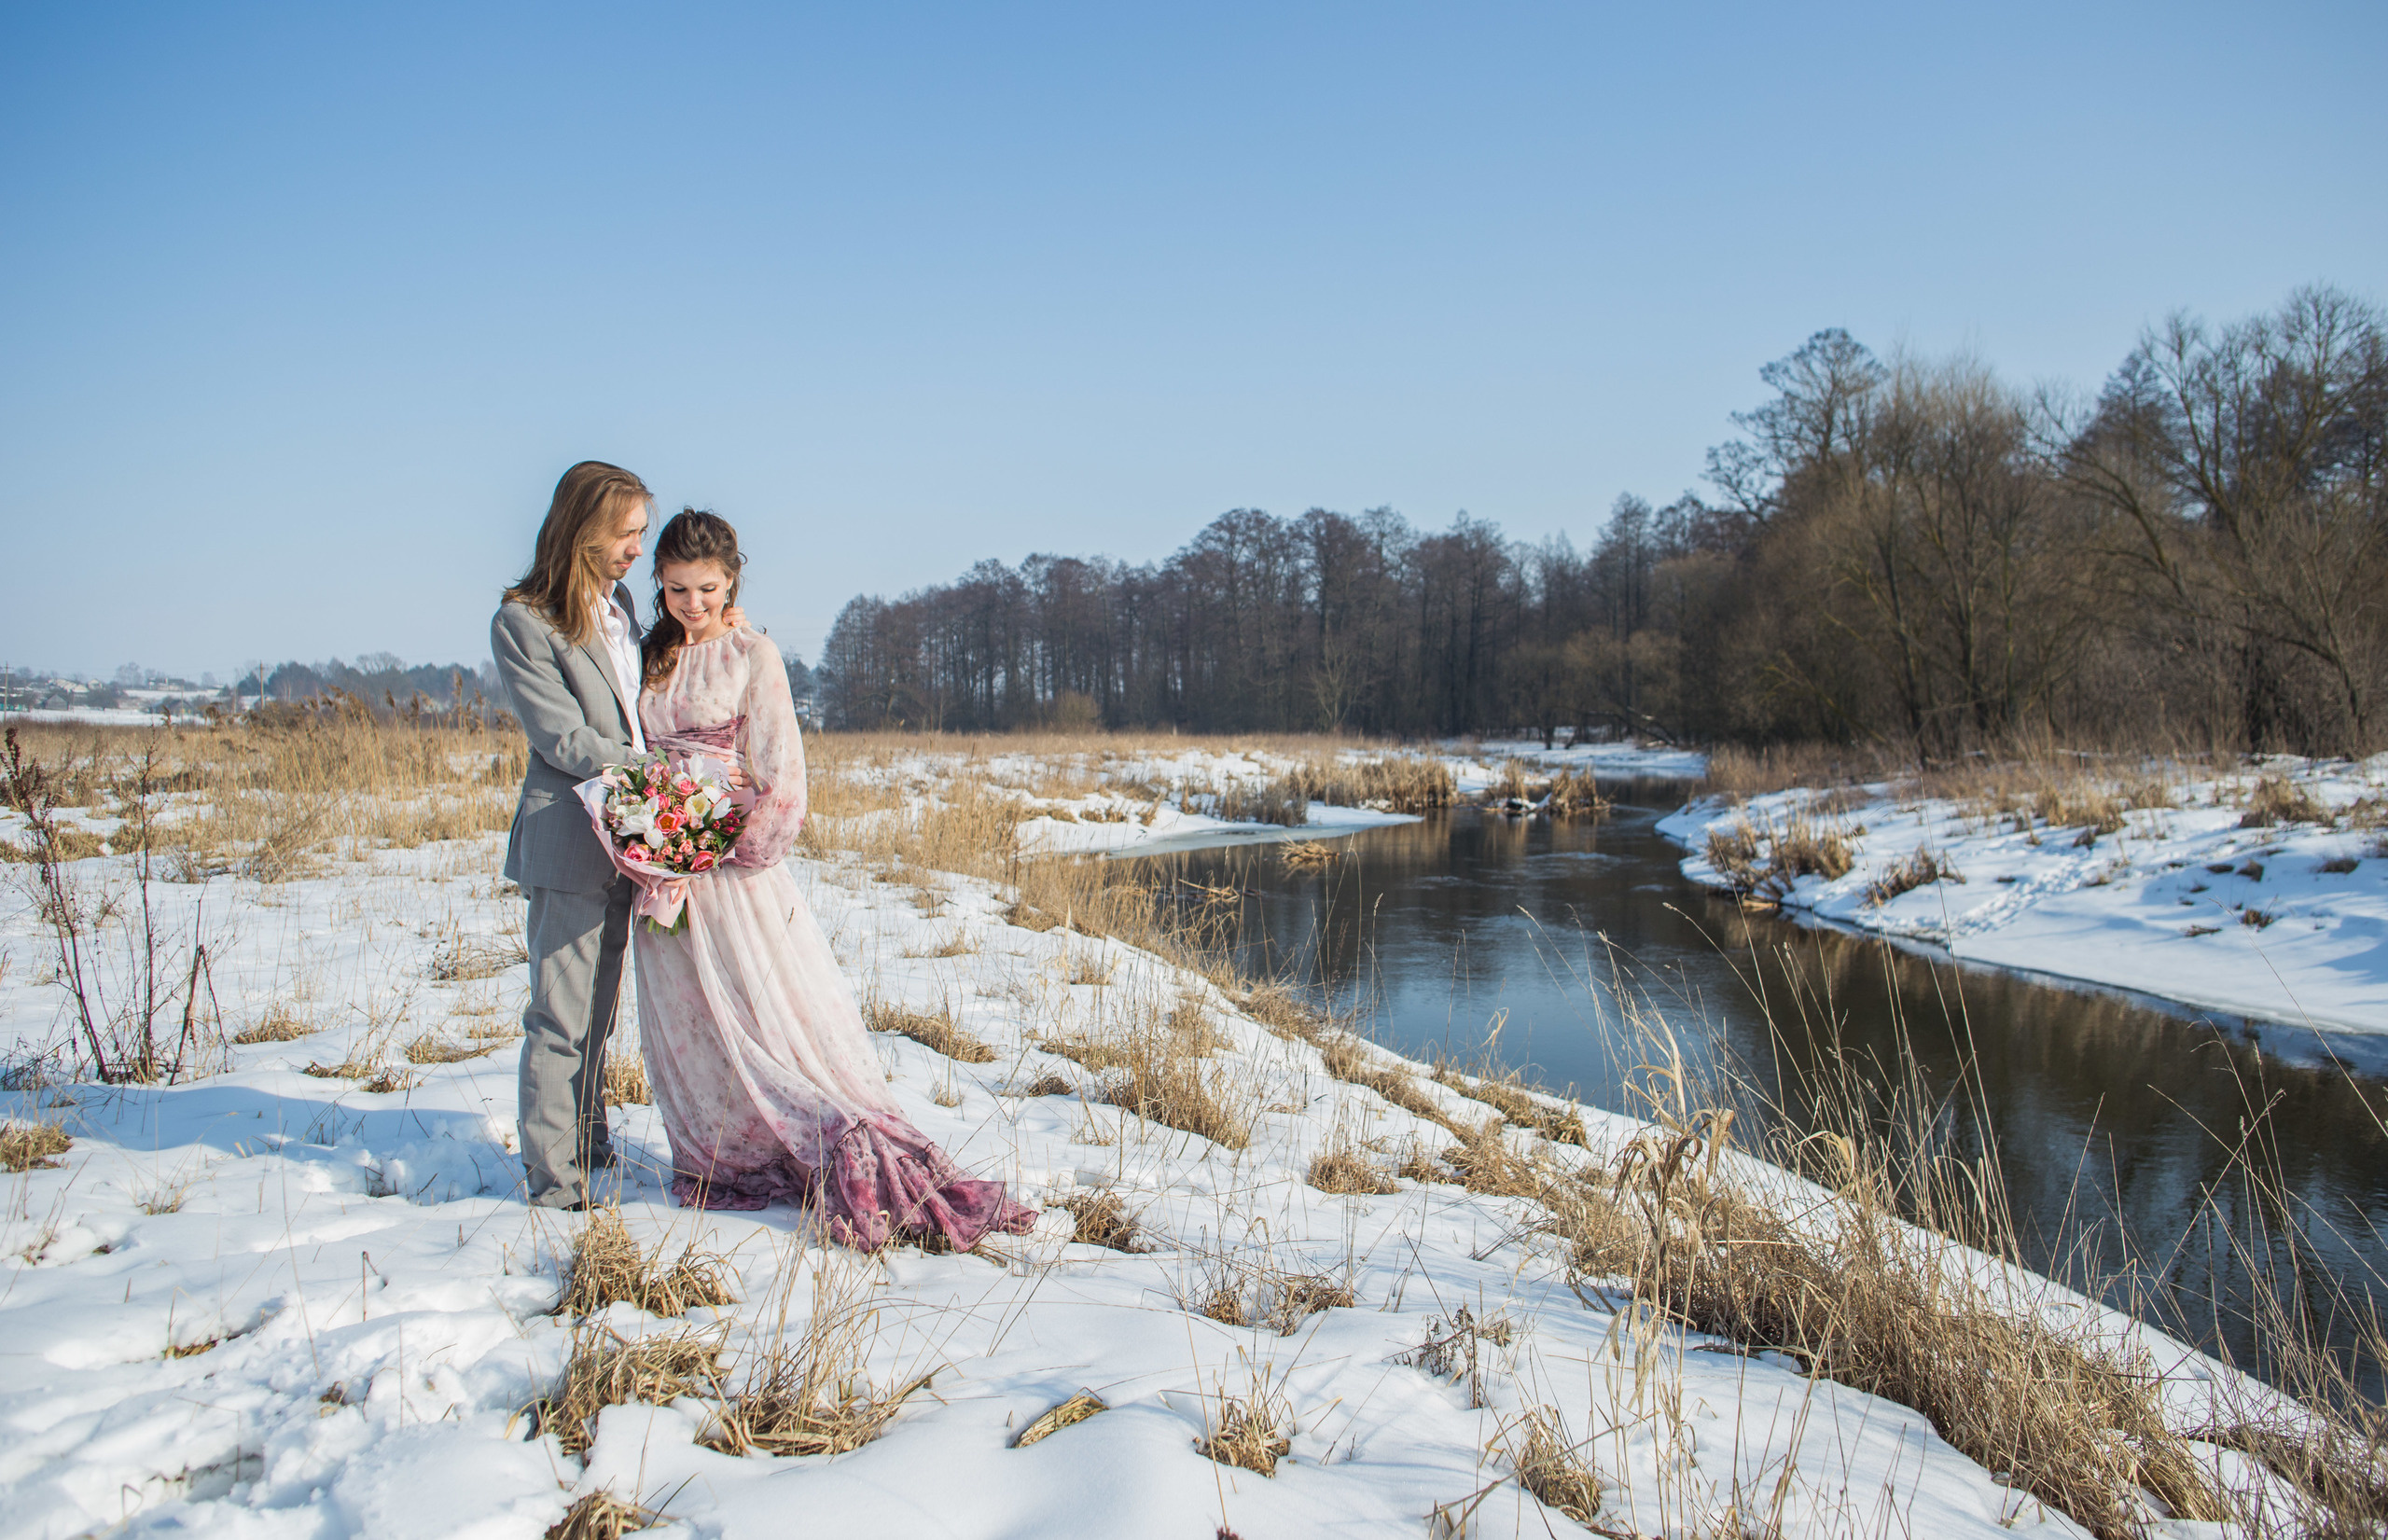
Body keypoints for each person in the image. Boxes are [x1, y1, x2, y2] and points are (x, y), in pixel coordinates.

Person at [630, 507, 1036, 1250]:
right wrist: (651, 834)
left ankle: (820, 1134)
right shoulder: (647, 655)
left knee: (764, 1017)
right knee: (687, 1022)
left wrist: (723, 845)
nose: (694, 604)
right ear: (657, 583)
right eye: (678, 588)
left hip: (728, 866)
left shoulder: (753, 654)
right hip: (663, 864)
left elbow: (783, 776)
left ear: (733, 582)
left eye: (709, 588)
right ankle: (719, 1154)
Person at [490, 462, 749, 1209]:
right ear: (586, 530)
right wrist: (661, 777)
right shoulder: (524, 622)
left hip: (629, 840)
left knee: (599, 1015)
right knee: (560, 1018)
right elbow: (562, 737)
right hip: (571, 841)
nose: (640, 547)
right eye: (629, 532)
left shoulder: (622, 605)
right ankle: (554, 1184)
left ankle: (589, 1142)